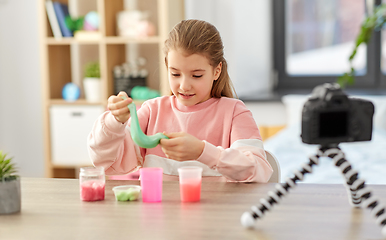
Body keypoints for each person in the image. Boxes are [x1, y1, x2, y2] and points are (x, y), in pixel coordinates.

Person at [88, 19, 273, 182]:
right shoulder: (152, 111)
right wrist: (114, 122)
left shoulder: (234, 112)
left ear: (216, 71)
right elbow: (107, 162)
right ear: (167, 66)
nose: (184, 86)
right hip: (159, 217)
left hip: (217, 219)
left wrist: (202, 152)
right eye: (175, 74)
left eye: (197, 75)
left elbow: (258, 170)